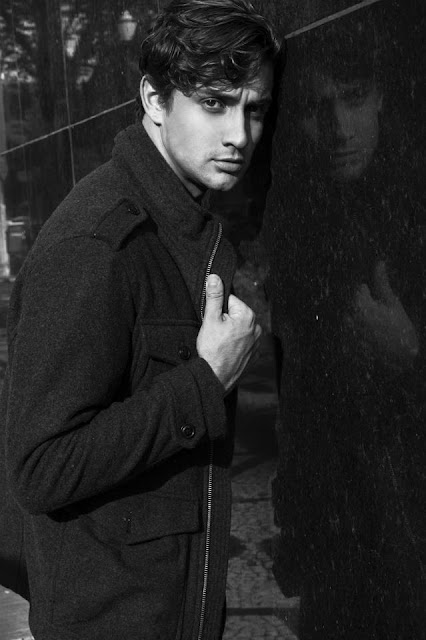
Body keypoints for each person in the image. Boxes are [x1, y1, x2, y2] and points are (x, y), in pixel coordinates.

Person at [0, 1, 280, 638]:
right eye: (214, 104)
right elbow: (39, 468)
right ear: (155, 100)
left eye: (254, 109)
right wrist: (205, 381)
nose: (239, 134)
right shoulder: (97, 245)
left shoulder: (176, 223)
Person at [265, 13, 425, 639]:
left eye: (353, 99)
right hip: (339, 541)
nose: (337, 129)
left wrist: (411, 354)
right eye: (317, 108)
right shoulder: (300, 212)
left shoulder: (409, 203)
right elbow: (303, 403)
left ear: (381, 96)